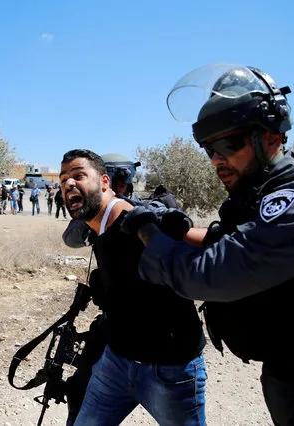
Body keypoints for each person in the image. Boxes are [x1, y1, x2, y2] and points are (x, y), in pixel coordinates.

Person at [127, 64, 294, 425]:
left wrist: (147, 230)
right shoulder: (262, 197)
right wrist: (177, 229)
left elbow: (204, 275)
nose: (217, 160)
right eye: (209, 149)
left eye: (228, 143)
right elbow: (237, 240)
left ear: (271, 137)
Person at [60, 149, 207, 426]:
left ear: (105, 182)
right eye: (64, 179)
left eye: (79, 175)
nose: (69, 184)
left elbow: (197, 247)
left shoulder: (137, 221)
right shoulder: (96, 226)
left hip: (170, 368)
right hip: (117, 360)